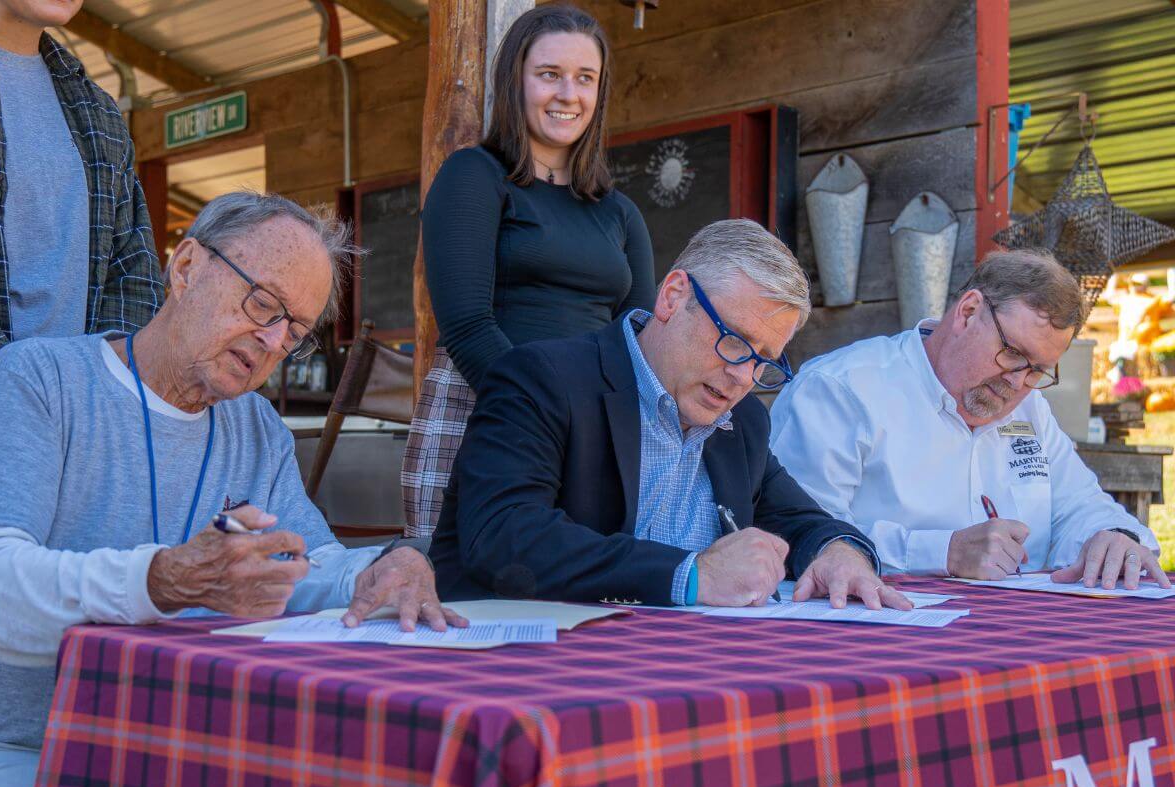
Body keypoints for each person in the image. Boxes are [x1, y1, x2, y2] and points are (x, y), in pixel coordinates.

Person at [0, 192, 465, 787]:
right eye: (263, 304)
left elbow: (308, 560)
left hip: (194, 742)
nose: (271, 341)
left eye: (295, 332)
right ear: (186, 269)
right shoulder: (41, 381)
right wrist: (161, 580)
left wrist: (383, 566)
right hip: (26, 745)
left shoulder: (255, 427)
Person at [430, 219, 911, 611]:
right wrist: (690, 574)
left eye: (764, 360)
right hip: (525, 662)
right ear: (673, 296)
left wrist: (840, 552)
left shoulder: (742, 424)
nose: (744, 377)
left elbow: (803, 520)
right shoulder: (542, 378)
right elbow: (502, 536)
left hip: (683, 669)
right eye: (736, 342)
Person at [769, 249, 1168, 590]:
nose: (1016, 382)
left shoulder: (1031, 409)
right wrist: (942, 551)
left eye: (1037, 370)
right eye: (1012, 352)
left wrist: (1115, 536)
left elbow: (1079, 505)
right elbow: (798, 533)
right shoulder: (842, 390)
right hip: (882, 635)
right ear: (968, 311)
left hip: (1016, 638)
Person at [402, 4, 655, 537]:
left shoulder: (620, 213)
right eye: (549, 75)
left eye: (585, 78)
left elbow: (642, 340)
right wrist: (550, 418)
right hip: (486, 413)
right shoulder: (474, 175)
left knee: (587, 599)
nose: (568, 94)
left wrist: (596, 428)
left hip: (594, 437)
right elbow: (468, 328)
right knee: (463, 606)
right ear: (514, 80)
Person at [0, 0, 163, 382]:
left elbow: (134, 271)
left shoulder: (99, 110)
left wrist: (98, 389)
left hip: (78, 419)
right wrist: (15, 393)